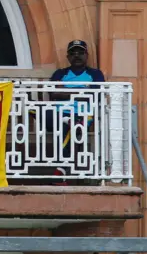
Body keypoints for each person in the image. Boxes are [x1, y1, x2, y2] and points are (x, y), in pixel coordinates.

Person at [47, 40, 105, 185]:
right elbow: (53, 94)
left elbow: (96, 94)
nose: (76, 55)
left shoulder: (95, 74)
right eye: (73, 53)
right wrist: (82, 91)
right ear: (68, 57)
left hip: (83, 114)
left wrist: (65, 92)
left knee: (71, 128)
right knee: (35, 109)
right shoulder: (60, 73)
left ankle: (60, 173)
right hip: (58, 114)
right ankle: (68, 121)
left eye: (80, 52)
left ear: (87, 55)